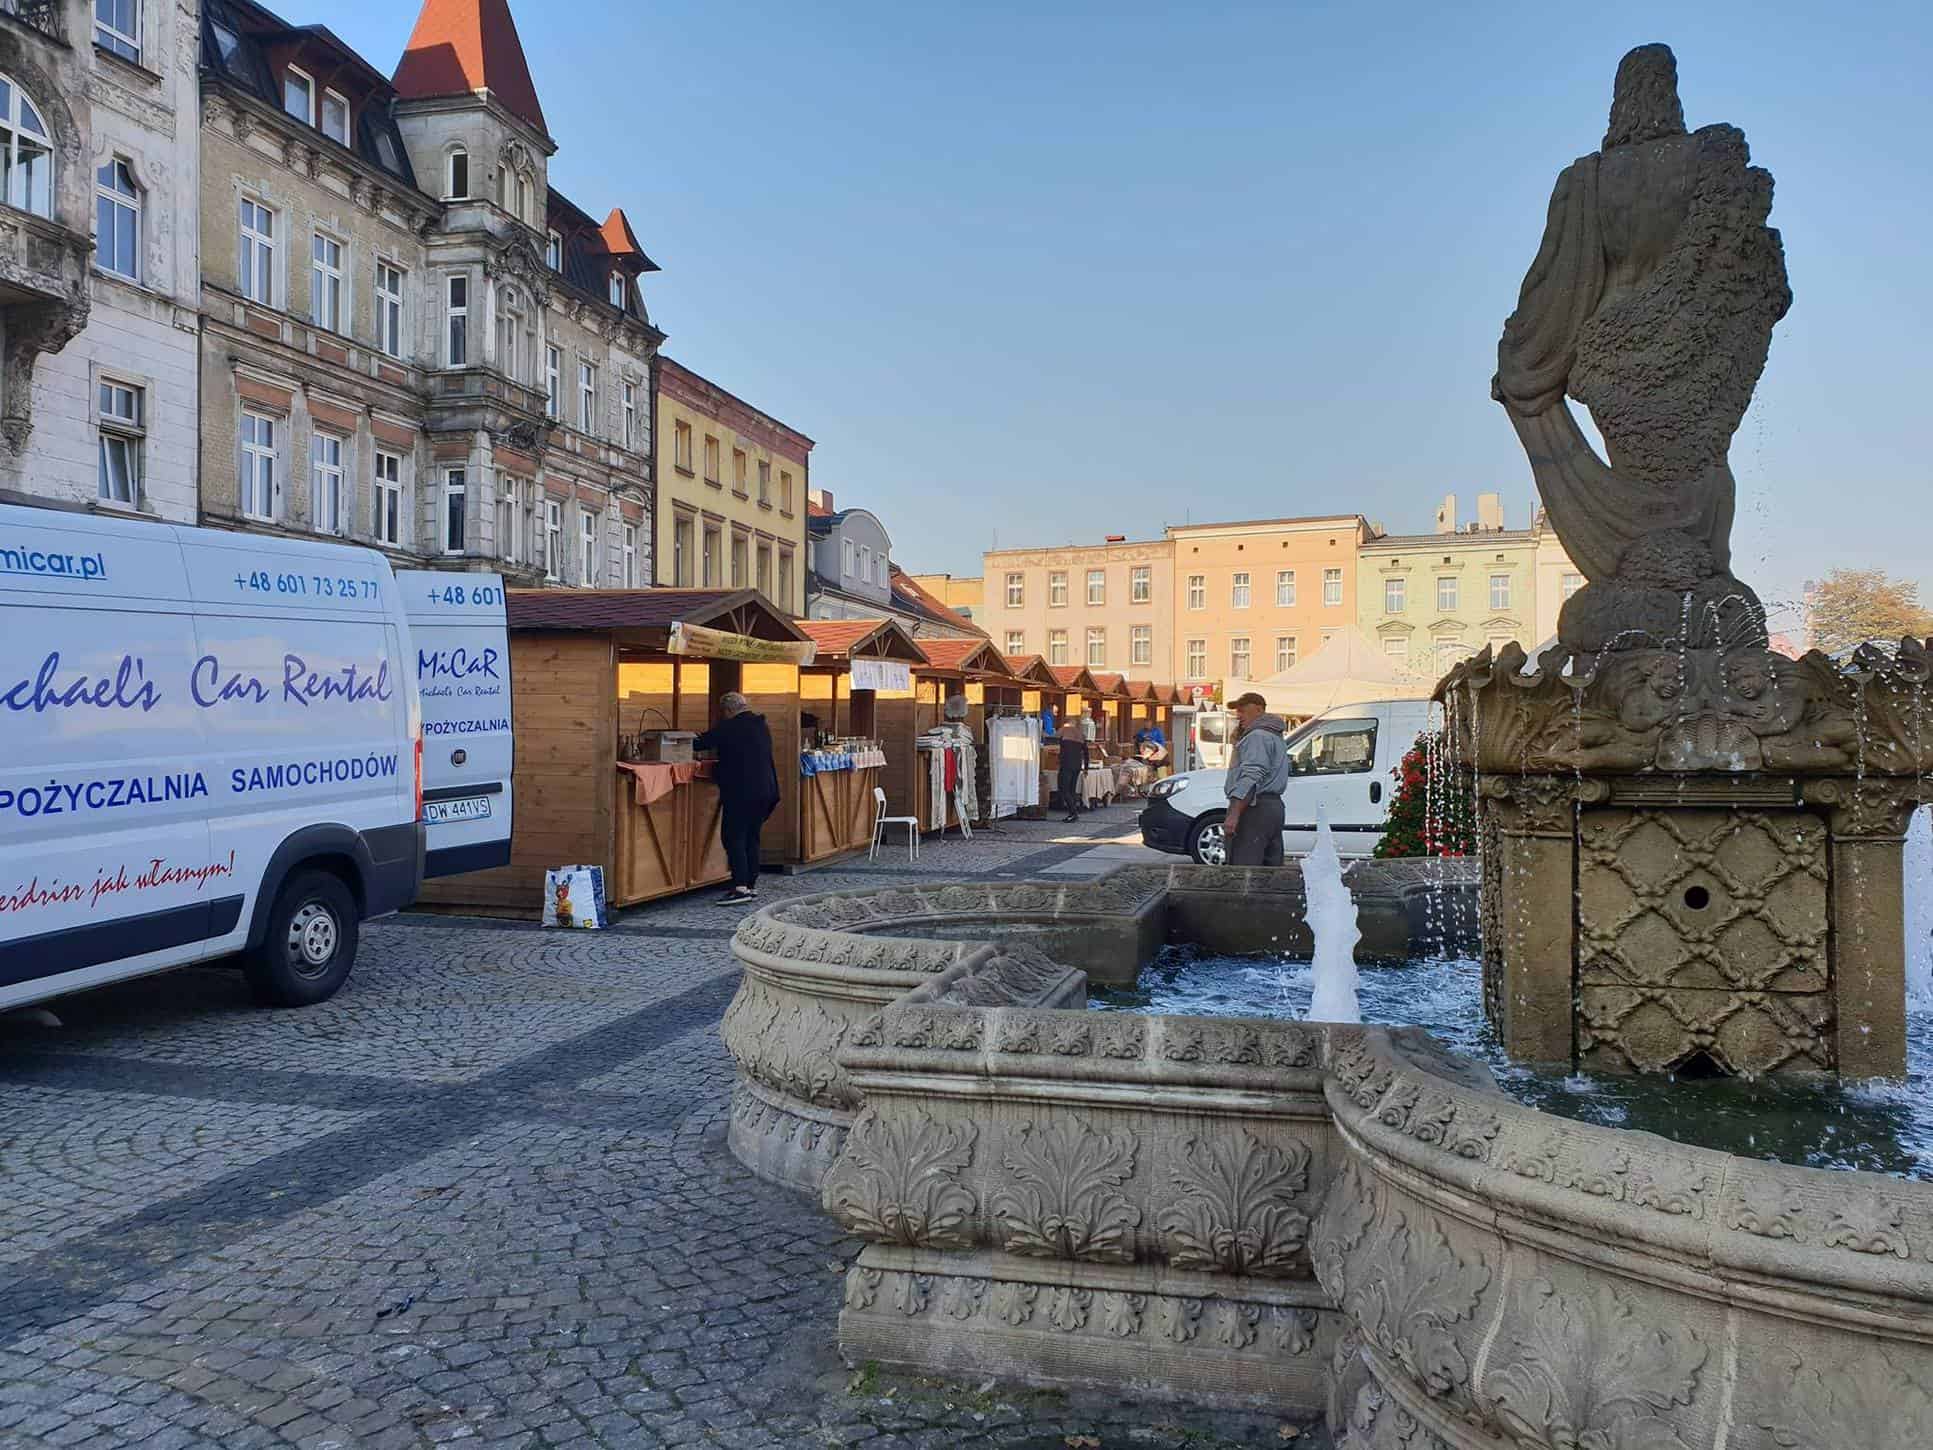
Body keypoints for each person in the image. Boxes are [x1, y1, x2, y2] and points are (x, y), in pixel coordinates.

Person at [695, 691, 781, 905]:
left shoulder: (731, 726)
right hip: (766, 790)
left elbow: (701, 743)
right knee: (752, 836)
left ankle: (740, 887)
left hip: (742, 792)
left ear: (728, 710)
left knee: (734, 837)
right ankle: (750, 884)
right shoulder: (760, 725)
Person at [1222, 691, 1288, 866]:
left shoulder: (1257, 736)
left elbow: (1251, 776)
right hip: (1273, 808)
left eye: (1243, 710)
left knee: (1244, 872)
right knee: (1270, 873)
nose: (1238, 715)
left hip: (1254, 808)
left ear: (1258, 710)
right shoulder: (1274, 735)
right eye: (1237, 711)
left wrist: (1234, 813)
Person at [1055, 720, 1088, 824]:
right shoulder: (1080, 734)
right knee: (1072, 790)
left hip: (1066, 765)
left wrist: (1059, 760)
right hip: (1077, 765)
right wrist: (1086, 768)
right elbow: (1086, 753)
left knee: (1063, 789)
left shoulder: (1064, 731)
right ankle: (1072, 813)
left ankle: (1073, 813)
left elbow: (1054, 739)